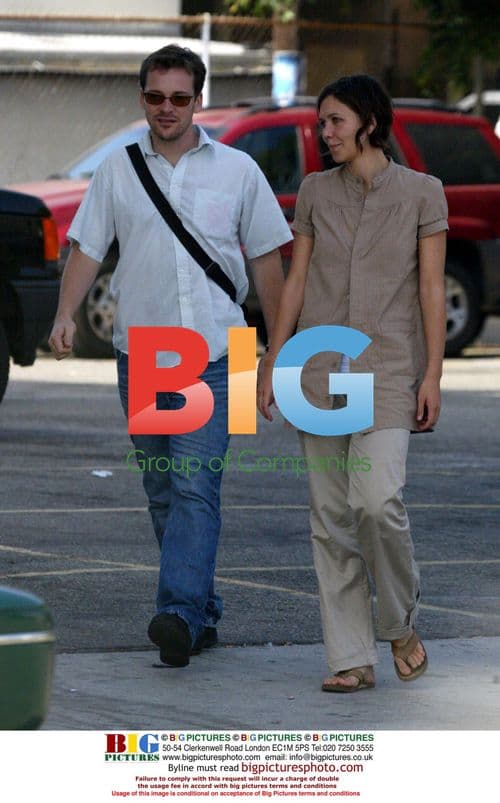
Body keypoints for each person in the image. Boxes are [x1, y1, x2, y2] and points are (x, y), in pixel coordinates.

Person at [49, 44, 292, 668]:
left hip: (223, 348)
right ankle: (199, 612)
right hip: (147, 353)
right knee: (163, 490)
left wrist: (277, 351)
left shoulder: (239, 170)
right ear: (143, 98)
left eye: (179, 98)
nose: (167, 108)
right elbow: (88, 247)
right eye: (155, 97)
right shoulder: (117, 170)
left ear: (199, 101)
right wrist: (63, 315)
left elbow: (268, 259)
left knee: (195, 487)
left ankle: (179, 613)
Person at [258, 74, 448, 692]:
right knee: (331, 517)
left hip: (389, 370)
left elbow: (429, 291)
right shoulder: (314, 191)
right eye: (322, 122)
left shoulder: (423, 193)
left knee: (377, 503)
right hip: (318, 370)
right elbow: (297, 278)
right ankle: (350, 656)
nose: (324, 132)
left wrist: (434, 376)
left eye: (334, 121)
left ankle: (399, 624)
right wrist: (273, 358)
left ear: (368, 121)